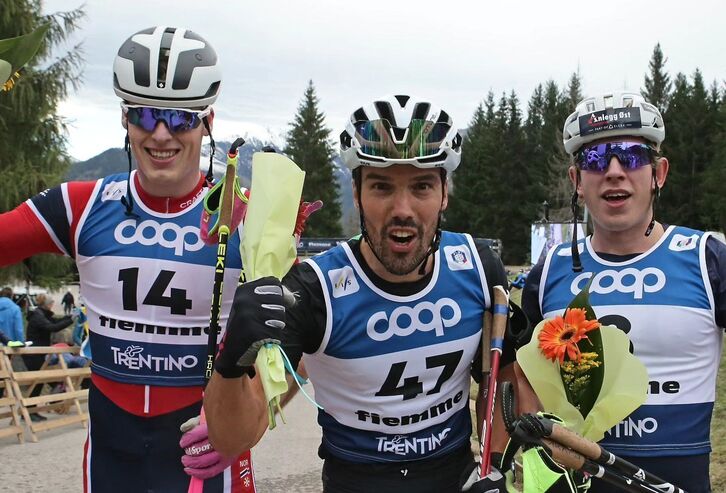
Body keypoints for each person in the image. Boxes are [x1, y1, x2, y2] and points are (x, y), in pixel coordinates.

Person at [203, 94, 516, 493]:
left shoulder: (477, 266)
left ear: (444, 193)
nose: (402, 208)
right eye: (382, 187)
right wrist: (231, 362)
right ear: (356, 193)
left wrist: (497, 465)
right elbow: (232, 438)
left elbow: (504, 383)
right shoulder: (314, 289)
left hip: (454, 478)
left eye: (421, 186)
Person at [0, 26, 257, 492]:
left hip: (205, 454)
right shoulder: (80, 206)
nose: (161, 134)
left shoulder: (247, 217)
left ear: (208, 121)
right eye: (144, 115)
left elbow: (298, 345)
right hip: (111, 455)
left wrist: (250, 413)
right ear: (124, 118)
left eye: (180, 119)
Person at [521, 91, 726, 493]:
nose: (614, 171)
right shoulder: (548, 271)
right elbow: (521, 379)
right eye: (596, 160)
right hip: (577, 479)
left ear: (659, 174)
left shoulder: (708, 259)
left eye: (631, 156)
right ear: (577, 181)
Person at [23, 294, 74, 421]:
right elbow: (53, 327)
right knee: (36, 382)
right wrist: (70, 320)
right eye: (51, 303)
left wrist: (69, 317)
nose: (52, 305)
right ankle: (29, 411)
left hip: (39, 353)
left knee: (39, 382)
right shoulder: (38, 316)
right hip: (34, 354)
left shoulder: (42, 314)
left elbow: (55, 321)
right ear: (46, 304)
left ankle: (32, 410)